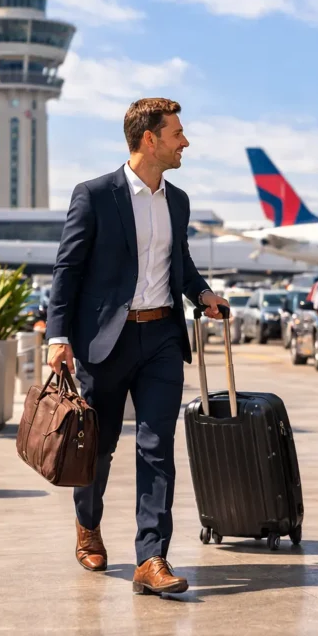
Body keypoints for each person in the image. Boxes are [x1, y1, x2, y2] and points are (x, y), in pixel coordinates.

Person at [46, 97, 229, 596]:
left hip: (163, 338)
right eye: (177, 134)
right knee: (97, 447)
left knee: (156, 448)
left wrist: (202, 293)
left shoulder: (179, 199)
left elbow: (181, 263)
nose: (185, 142)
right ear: (149, 139)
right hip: (107, 341)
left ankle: (151, 557)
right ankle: (88, 526)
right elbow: (68, 270)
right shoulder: (95, 195)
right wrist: (57, 338)